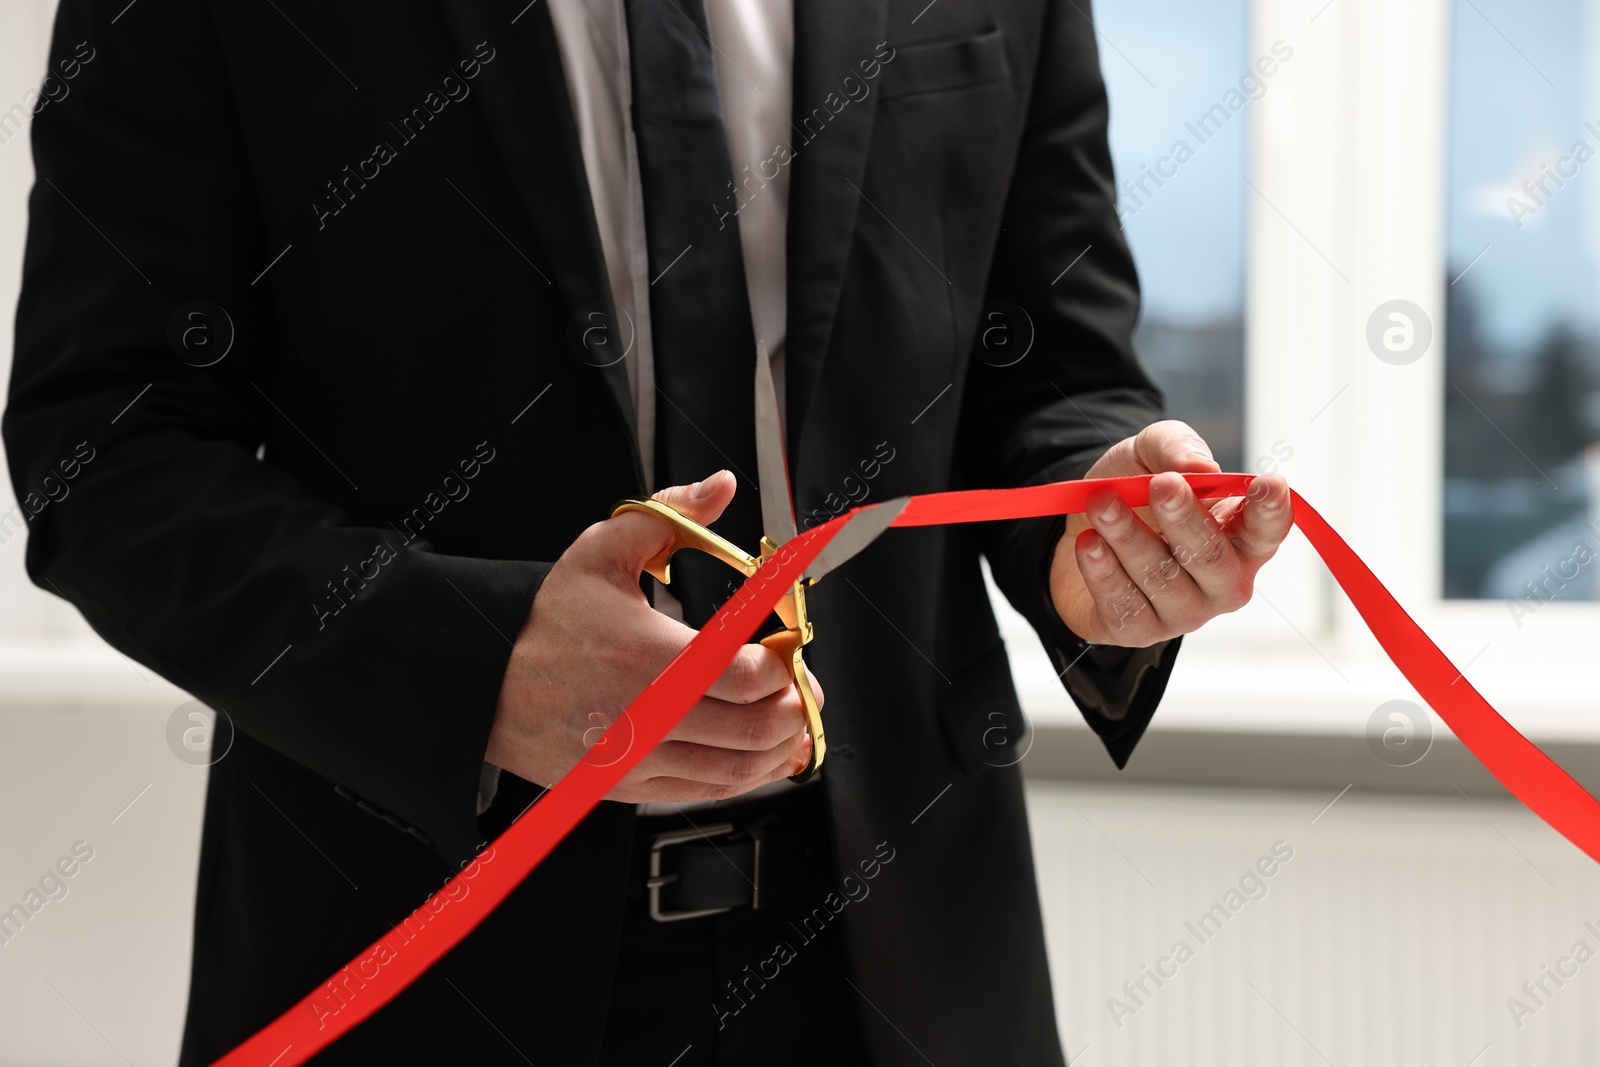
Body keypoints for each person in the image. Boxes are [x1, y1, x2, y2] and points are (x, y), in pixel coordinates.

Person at [2, 0, 1292, 1064]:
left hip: (904, 966)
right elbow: (104, 446)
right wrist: (479, 665)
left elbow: (1053, 369)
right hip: (415, 956)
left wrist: (1100, 525)